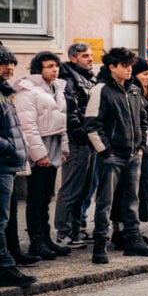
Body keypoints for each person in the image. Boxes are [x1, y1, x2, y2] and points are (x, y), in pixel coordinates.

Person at [84, 47, 148, 264]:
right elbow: (92, 125)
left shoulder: (134, 91)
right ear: (112, 67)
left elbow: (143, 120)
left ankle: (132, 240)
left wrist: (141, 147)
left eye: (130, 66)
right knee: (105, 202)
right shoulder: (102, 90)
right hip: (113, 156)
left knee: (131, 200)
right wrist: (106, 152)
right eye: (124, 66)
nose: (129, 70)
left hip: (134, 155)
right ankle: (100, 245)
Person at [14, 51, 71, 260]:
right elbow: (28, 126)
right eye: (49, 66)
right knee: (36, 198)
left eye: (56, 66)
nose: (54, 69)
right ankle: (36, 242)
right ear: (39, 69)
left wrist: (63, 149)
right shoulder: (28, 91)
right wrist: (39, 154)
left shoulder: (57, 87)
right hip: (40, 147)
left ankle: (46, 239)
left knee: (47, 197)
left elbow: (61, 121)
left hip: (54, 145)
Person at [53, 42, 97, 247]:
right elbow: (71, 114)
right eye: (85, 56)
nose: (90, 58)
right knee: (71, 188)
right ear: (73, 58)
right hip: (77, 141)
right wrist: (82, 136)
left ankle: (77, 229)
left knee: (84, 188)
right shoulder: (69, 80)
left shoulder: (87, 78)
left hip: (88, 140)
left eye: (91, 55)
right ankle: (63, 233)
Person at [0, 43, 35, 287]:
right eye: (4, 63)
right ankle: (4, 267)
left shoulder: (4, 93)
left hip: (8, 165)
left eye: (12, 63)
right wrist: (11, 149)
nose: (10, 67)